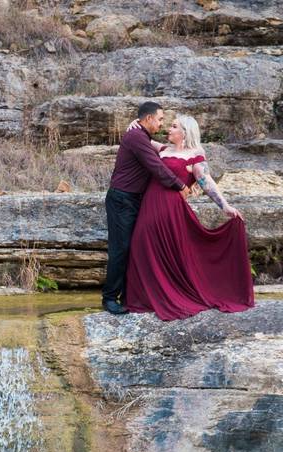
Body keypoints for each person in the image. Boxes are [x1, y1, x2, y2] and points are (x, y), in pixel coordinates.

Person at [124, 114, 255, 321]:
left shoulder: (195, 154)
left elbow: (206, 181)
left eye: (174, 126)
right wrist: (134, 124)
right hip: (150, 204)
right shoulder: (164, 150)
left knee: (166, 249)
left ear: (184, 132)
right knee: (142, 244)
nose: (169, 129)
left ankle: (171, 294)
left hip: (171, 208)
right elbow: (141, 139)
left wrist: (225, 206)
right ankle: (147, 298)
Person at [102, 102, 192, 315]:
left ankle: (128, 296)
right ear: (149, 118)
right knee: (120, 249)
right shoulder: (136, 137)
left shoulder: (140, 136)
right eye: (160, 119)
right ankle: (109, 298)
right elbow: (156, 166)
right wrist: (180, 185)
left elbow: (162, 153)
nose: (162, 124)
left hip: (134, 200)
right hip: (122, 199)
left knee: (133, 248)